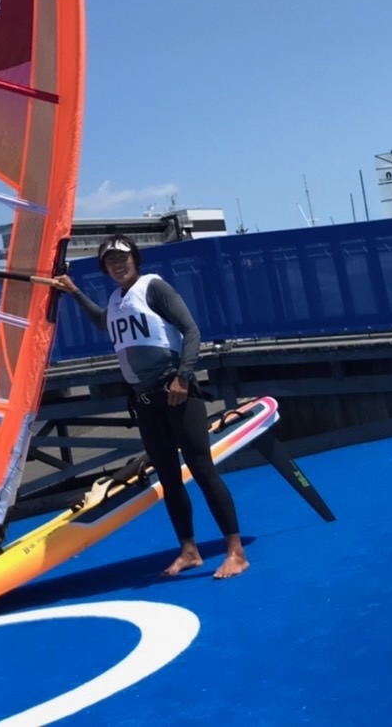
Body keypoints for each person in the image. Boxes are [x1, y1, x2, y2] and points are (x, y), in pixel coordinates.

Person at [51, 235, 248, 579]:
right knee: (168, 478)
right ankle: (189, 551)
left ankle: (236, 552)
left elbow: (191, 330)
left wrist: (183, 377)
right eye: (110, 260)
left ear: (135, 259)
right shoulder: (116, 300)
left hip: (176, 392)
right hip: (145, 401)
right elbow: (103, 322)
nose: (117, 264)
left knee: (202, 469)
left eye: (123, 257)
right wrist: (74, 292)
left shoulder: (154, 287)